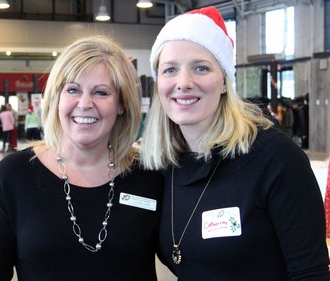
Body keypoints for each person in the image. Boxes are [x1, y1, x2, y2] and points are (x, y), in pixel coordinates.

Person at [140, 6, 330, 280]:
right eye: (170, 70)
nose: (183, 82)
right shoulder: (161, 165)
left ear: (224, 82)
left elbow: (310, 273)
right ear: (159, 84)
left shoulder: (276, 158)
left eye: (201, 68)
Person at [0, 35, 163, 281]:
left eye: (101, 92)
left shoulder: (150, 174)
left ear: (121, 103)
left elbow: (193, 258)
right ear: (56, 98)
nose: (84, 103)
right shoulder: (14, 175)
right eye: (72, 89)